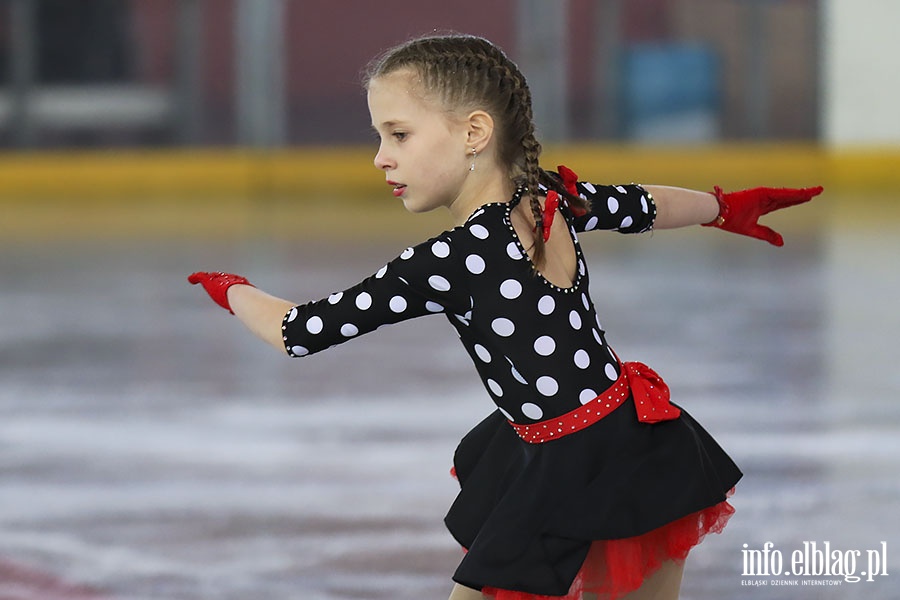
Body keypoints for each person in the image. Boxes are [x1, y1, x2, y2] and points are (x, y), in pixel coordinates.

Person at [188, 34, 821, 600]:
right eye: (380, 137)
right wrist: (721, 207)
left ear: (473, 132)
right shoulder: (548, 197)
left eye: (399, 134)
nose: (381, 156)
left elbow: (299, 331)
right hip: (630, 439)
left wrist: (234, 289)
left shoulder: (452, 257)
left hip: (566, 462)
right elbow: (645, 205)